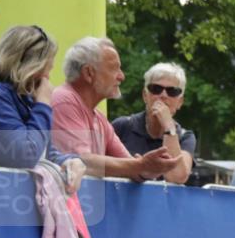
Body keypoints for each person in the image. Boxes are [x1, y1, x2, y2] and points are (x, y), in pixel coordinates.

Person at [0, 25, 85, 192]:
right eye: (46, 70)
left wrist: (69, 161)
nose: (47, 79)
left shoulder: (17, 97)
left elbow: (43, 150)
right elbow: (25, 155)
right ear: (30, 67)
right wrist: (43, 104)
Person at [52, 37, 178, 181]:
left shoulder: (98, 118)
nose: (121, 76)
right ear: (88, 73)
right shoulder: (64, 100)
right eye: (114, 68)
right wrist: (141, 165)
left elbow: (133, 168)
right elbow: (82, 162)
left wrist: (152, 167)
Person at [111, 62, 196, 184]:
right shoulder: (123, 126)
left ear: (180, 102)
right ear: (145, 96)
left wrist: (168, 126)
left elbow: (177, 178)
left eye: (172, 91)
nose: (163, 95)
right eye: (156, 89)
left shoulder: (185, 136)